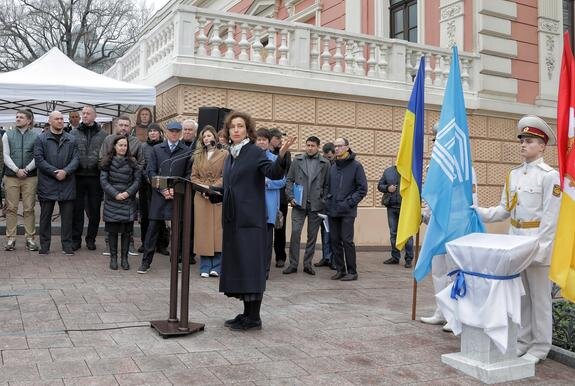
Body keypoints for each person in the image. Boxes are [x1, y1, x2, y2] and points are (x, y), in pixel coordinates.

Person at [475, 115, 560, 364]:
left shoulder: (549, 176)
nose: (523, 144)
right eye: (522, 140)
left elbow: (550, 218)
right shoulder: (513, 175)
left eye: (530, 140)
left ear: (542, 146)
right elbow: (503, 210)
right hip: (515, 242)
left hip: (536, 243)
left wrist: (542, 251)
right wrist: (477, 211)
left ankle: (540, 346)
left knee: (540, 299)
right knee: (521, 296)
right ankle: (523, 341)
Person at [217, 111, 294, 331]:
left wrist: (281, 155)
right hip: (234, 220)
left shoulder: (253, 151)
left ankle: (255, 318)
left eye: (240, 126)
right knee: (241, 266)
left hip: (251, 221)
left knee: (251, 266)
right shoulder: (233, 154)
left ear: (247, 129)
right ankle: (246, 313)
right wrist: (214, 191)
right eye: (232, 127)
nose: (236, 130)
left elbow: (273, 172)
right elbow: (231, 185)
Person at [137, 121, 192, 274]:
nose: (174, 133)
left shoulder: (186, 151)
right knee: (152, 229)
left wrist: (176, 190)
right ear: (166, 132)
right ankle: (145, 262)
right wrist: (163, 189)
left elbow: (188, 174)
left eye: (177, 131)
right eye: (171, 131)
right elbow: (151, 171)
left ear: (180, 133)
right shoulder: (156, 149)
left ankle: (176, 262)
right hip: (159, 195)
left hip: (177, 196)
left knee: (178, 231)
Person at [34, 111, 79, 255]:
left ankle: (67, 245)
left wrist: (65, 171)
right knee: (45, 216)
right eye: (57, 119)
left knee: (67, 218)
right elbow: (39, 160)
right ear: (50, 121)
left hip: (67, 182)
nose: (60, 121)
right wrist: (55, 172)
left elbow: (76, 159)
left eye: (61, 119)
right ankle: (45, 246)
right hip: (47, 183)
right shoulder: (41, 139)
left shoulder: (71, 139)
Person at [283, 136, 330, 276]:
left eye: (312, 146)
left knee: (312, 236)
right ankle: (293, 264)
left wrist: (323, 200)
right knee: (295, 233)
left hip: (316, 205)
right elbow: (289, 180)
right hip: (298, 204)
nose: (309, 148)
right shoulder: (297, 161)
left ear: (318, 147)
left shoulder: (325, 163)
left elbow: (327, 185)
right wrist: (290, 197)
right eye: (308, 145)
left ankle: (307, 264)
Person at [99, 116, 145, 257]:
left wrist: (134, 176)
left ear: (130, 127)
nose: (123, 127)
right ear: (116, 126)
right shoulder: (108, 140)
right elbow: (102, 160)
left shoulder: (136, 142)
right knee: (112, 220)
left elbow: (141, 163)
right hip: (112, 188)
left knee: (128, 221)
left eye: (126, 125)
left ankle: (129, 245)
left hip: (129, 187)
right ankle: (109, 245)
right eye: (121, 125)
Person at [328, 137, 368, 281]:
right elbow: (328, 187)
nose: (337, 148)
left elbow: (362, 189)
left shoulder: (356, 166)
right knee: (334, 240)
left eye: (340, 146)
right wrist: (326, 200)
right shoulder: (332, 166)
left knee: (346, 240)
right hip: (332, 209)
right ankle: (340, 270)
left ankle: (352, 271)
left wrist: (349, 202)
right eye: (335, 146)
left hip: (347, 210)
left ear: (347, 147)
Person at [191, 126, 227, 277]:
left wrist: (212, 187)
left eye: (209, 136)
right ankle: (205, 265)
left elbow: (226, 175)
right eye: (204, 137)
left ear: (215, 138)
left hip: (216, 195)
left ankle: (217, 265)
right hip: (201, 197)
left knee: (217, 231)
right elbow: (193, 176)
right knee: (203, 231)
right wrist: (202, 188)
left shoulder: (225, 154)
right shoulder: (198, 155)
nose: (207, 139)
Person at [70, 105, 107, 251]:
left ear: (94, 116)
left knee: (94, 210)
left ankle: (91, 239)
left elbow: (106, 154)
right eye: (83, 113)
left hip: (95, 177)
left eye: (88, 113)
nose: (85, 116)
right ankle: (76, 239)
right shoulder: (73, 133)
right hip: (78, 176)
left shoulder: (103, 135)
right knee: (77, 210)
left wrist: (100, 165)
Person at [2, 109, 39, 251]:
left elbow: (38, 156)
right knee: (11, 208)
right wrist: (17, 170)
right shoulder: (7, 134)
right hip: (11, 176)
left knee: (29, 208)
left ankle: (30, 238)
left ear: (29, 120)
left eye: (21, 117)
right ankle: (10, 239)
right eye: (17, 117)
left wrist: (27, 170)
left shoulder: (36, 137)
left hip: (30, 177)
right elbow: (5, 155)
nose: (18, 119)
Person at [255, 128, 285, 279]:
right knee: (253, 240)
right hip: (252, 206)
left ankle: (265, 270)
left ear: (268, 142)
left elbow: (282, 181)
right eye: (258, 139)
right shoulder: (249, 158)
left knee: (267, 241)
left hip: (269, 205)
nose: (261, 142)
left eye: (264, 140)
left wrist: (268, 183)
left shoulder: (274, 159)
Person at [138, 123, 170, 255]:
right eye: (150, 131)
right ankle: (145, 243)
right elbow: (141, 164)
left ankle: (162, 244)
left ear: (160, 133)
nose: (152, 133)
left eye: (155, 131)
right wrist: (148, 177)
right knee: (146, 215)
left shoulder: (165, 146)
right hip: (146, 185)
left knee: (161, 214)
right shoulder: (143, 147)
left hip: (161, 184)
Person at [378, 165, 414, 268]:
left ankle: (408, 259)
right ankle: (395, 257)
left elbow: (417, 188)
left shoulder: (410, 171)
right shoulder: (388, 171)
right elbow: (380, 185)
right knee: (393, 233)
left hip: (406, 208)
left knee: (407, 234)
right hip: (391, 207)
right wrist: (387, 188)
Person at [269, 128, 290, 268]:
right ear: (271, 139)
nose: (280, 142)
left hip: (281, 197)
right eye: (278, 139)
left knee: (280, 228)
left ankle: (280, 257)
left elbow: (287, 173)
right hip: (267, 196)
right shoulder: (263, 153)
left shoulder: (286, 154)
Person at [315, 142, 336, 269]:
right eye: (325, 156)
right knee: (324, 232)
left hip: (333, 204)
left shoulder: (337, 167)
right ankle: (325, 257)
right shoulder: (322, 165)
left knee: (332, 233)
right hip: (322, 204)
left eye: (329, 157)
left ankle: (333, 259)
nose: (327, 159)